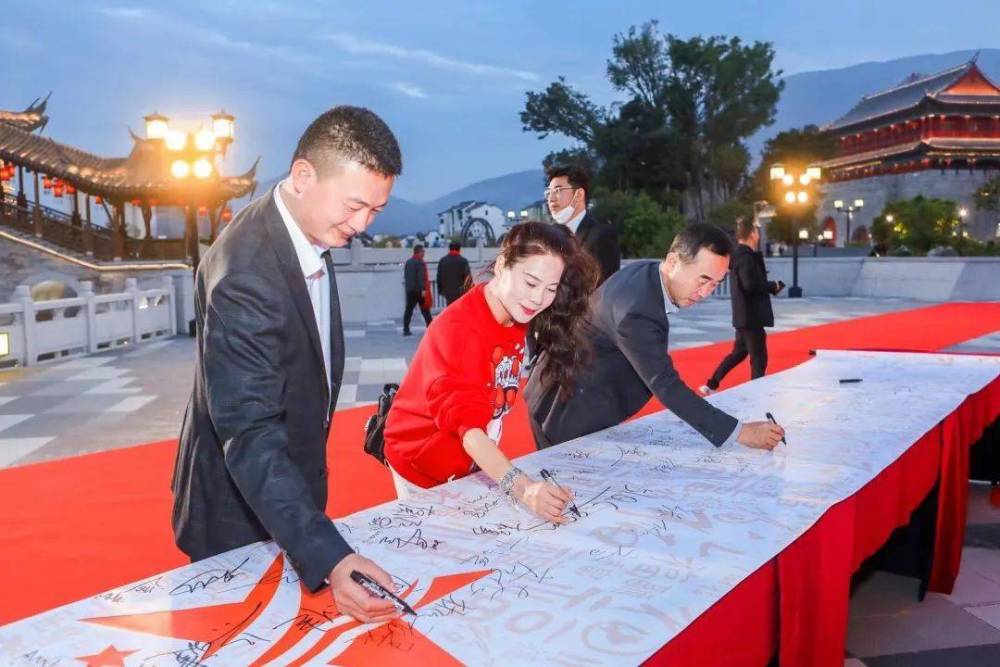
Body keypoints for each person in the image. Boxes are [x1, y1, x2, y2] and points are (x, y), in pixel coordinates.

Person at [171, 106, 402, 624]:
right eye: (355, 206)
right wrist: (331, 557)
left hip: (285, 498)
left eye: (376, 211)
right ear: (303, 176)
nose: (362, 225)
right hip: (237, 513)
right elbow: (250, 433)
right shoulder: (246, 273)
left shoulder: (306, 231)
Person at [383, 222, 599, 523]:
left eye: (550, 289)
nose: (538, 299)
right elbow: (468, 428)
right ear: (501, 265)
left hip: (468, 462)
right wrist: (523, 489)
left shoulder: (514, 314)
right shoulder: (460, 331)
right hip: (422, 463)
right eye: (531, 283)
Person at [526, 223, 785, 452]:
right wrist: (741, 432)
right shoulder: (636, 310)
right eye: (703, 280)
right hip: (565, 411)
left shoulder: (649, 275)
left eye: (715, 284)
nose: (705, 292)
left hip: (574, 393)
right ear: (673, 262)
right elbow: (665, 384)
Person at [701, 217, 784, 395]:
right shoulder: (746, 257)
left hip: (743, 314)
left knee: (739, 353)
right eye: (757, 231)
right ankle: (757, 393)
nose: (758, 234)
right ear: (753, 234)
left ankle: (711, 384)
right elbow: (750, 284)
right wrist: (772, 286)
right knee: (759, 358)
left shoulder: (738, 255)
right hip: (751, 315)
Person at [545, 164, 620, 285]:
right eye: (549, 192)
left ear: (579, 195)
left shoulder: (601, 236)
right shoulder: (548, 237)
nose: (551, 198)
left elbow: (606, 286)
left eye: (558, 190)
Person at [403, 244, 432, 335]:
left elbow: (406, 276)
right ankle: (431, 328)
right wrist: (423, 290)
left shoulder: (408, 262)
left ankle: (406, 329)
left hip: (410, 290)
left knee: (409, 310)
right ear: (419, 252)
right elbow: (421, 277)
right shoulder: (420, 262)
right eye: (423, 251)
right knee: (425, 310)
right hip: (419, 290)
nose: (424, 253)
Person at [436, 240, 471, 305]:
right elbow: (468, 278)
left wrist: (440, 290)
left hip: (447, 292)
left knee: (450, 308)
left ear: (449, 249)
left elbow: (439, 277)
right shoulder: (463, 261)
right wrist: (468, 290)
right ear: (459, 249)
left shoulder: (443, 260)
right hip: (460, 292)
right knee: (459, 308)